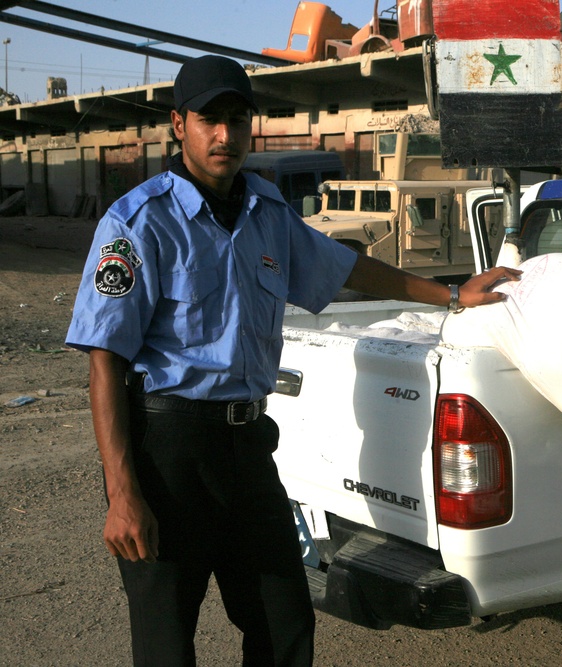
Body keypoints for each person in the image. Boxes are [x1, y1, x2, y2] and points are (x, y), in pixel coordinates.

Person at [65, 55, 519, 666]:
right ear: (179, 125)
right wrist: (122, 493)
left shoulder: (266, 211)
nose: (224, 135)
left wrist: (451, 293)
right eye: (208, 120)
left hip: (248, 448)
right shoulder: (140, 222)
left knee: (284, 625)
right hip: (167, 453)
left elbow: (347, 267)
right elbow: (104, 361)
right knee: (166, 641)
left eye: (237, 119)